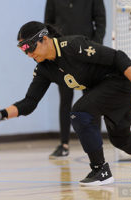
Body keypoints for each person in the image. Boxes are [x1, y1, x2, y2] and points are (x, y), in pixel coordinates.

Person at [0, 21, 131, 186]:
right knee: (119, 138)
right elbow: (30, 102)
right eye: (23, 50)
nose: (28, 54)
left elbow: (117, 57)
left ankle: (100, 171)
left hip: (123, 78)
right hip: (104, 87)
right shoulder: (44, 69)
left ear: (44, 39)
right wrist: (3, 114)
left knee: (79, 113)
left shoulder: (73, 46)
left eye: (30, 47)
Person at [44, 0, 106, 159]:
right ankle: (64, 145)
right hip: (62, 56)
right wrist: (54, 51)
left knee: (92, 100)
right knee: (65, 100)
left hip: (87, 54)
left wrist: (94, 48)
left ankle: (96, 143)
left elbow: (100, 21)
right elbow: (47, 25)